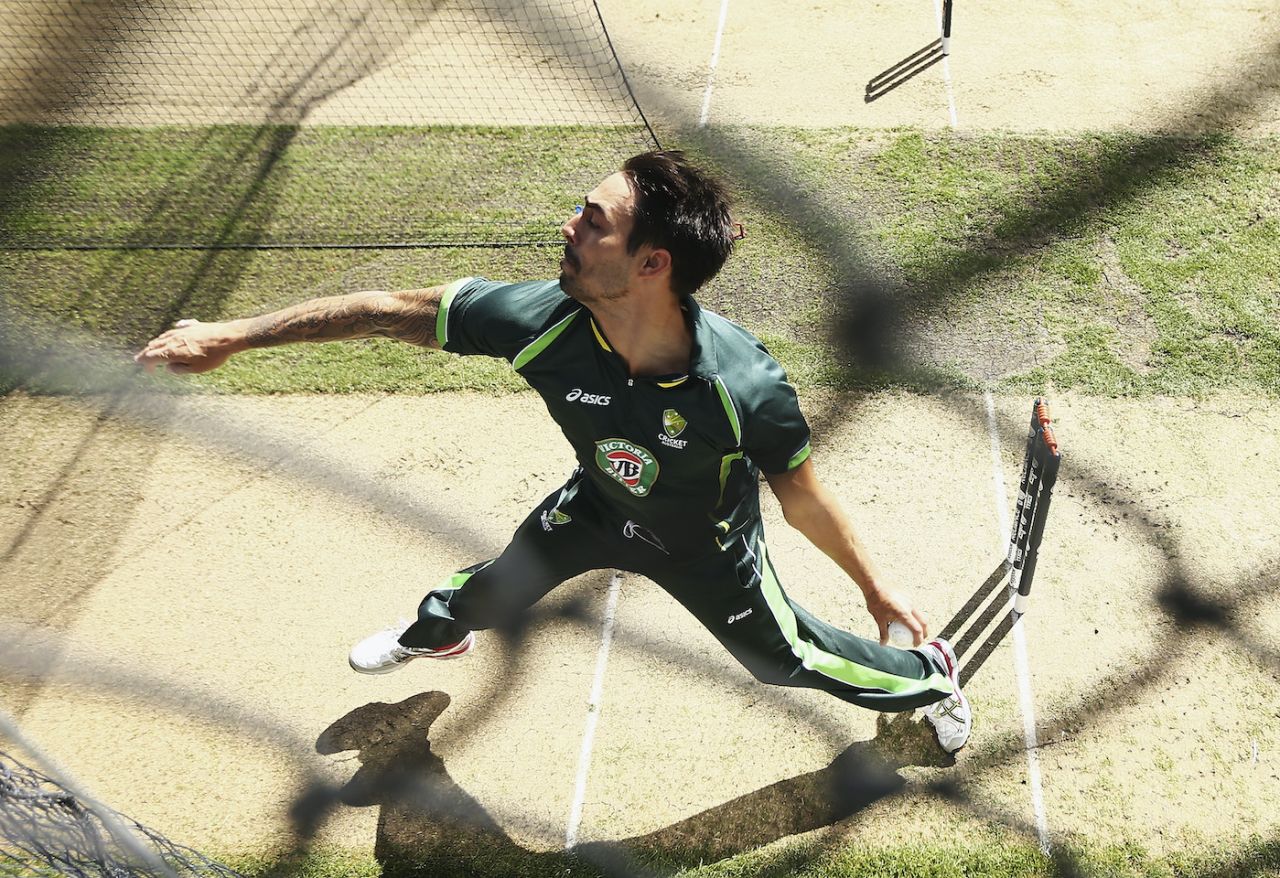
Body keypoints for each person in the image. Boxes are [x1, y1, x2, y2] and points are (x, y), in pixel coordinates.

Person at [135, 150, 972, 753]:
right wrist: (231, 338)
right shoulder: (535, 320)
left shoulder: (742, 386)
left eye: (592, 222)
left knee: (786, 664)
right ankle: (441, 633)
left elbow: (802, 499)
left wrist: (875, 587)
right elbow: (387, 309)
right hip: (599, 506)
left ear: (652, 263)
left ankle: (929, 674)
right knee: (491, 590)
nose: (565, 228)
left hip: (704, 545)